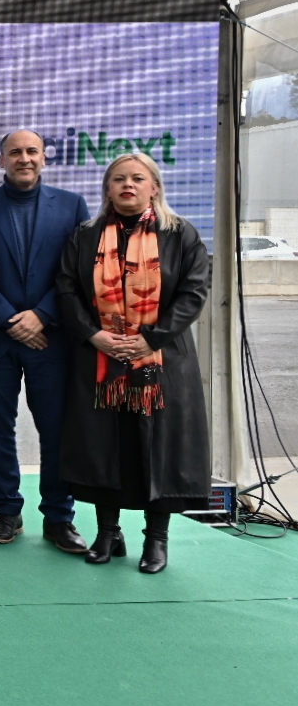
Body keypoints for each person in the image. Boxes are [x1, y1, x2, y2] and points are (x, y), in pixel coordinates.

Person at [56, 153, 210, 574]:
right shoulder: (85, 237)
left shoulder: (181, 235)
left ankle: (156, 541)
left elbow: (193, 295)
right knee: (107, 447)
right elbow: (67, 290)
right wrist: (95, 335)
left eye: (137, 179)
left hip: (161, 362)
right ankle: (107, 533)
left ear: (154, 187)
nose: (128, 185)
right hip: (100, 361)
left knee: (155, 449)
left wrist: (148, 340)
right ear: (107, 188)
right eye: (118, 179)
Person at [0, 130, 91, 555]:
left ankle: (58, 518)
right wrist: (8, 317)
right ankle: (6, 512)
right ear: (1, 160)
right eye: (15, 152)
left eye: (31, 151)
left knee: (56, 430)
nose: (24, 158)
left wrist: (43, 315)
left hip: (50, 340)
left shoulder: (72, 206)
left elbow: (78, 271)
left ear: (44, 158)